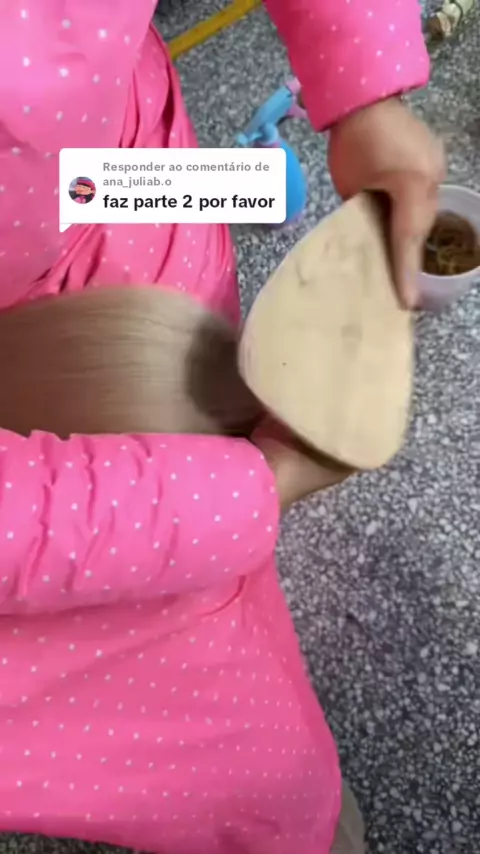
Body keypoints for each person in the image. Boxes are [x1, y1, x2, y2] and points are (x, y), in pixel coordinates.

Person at [0, 2, 444, 852]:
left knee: (248, 217)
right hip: (35, 532)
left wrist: (364, 83)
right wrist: (248, 492)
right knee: (261, 773)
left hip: (110, 175)